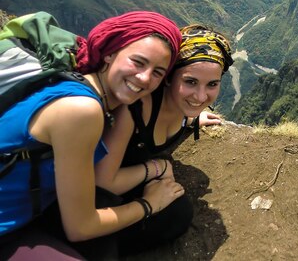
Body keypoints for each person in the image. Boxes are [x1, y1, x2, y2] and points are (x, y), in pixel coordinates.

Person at [0, 11, 184, 260]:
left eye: (158, 72)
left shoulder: (80, 82)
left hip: (23, 217)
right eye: (138, 62)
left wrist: (188, 115)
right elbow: (81, 227)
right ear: (110, 53)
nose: (144, 78)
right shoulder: (82, 111)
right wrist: (150, 204)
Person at [94, 24, 233, 253]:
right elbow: (102, 182)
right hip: (93, 201)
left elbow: (181, 112)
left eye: (212, 84)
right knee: (177, 214)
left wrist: (191, 119)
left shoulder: (181, 107)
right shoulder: (135, 108)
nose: (200, 96)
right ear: (168, 77)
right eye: (190, 82)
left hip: (125, 187)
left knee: (177, 212)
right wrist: (157, 167)